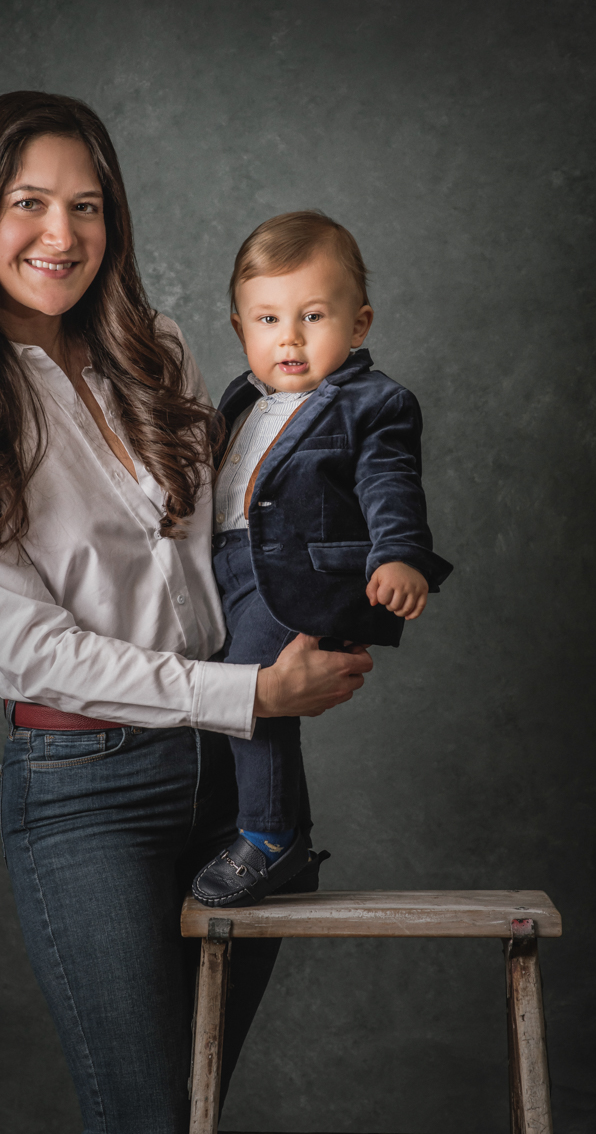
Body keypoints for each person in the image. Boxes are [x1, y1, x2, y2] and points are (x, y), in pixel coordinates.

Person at [0, 94, 374, 1134]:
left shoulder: (156, 348)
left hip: (241, 775)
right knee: (147, 1118)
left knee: (188, 1113)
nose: (64, 236)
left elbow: (228, 540)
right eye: (30, 203)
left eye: (88, 205)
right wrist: (252, 689)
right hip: (84, 792)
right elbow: (34, 649)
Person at [191, 212, 452, 908]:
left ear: (358, 324)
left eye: (312, 315)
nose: (290, 338)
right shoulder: (243, 397)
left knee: (252, 689)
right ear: (240, 329)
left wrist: (401, 557)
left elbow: (389, 484)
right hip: (232, 572)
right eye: (268, 320)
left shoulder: (374, 403)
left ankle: (271, 836)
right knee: (230, 689)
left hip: (309, 578)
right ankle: (261, 824)